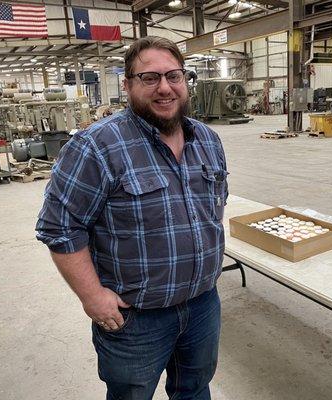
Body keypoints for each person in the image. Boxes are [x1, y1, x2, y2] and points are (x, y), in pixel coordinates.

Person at [36, 36, 228, 400]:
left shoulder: (208, 140)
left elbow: (211, 211)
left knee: (195, 388)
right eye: (149, 78)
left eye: (174, 76)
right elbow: (59, 226)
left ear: (185, 80)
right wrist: (92, 296)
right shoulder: (96, 145)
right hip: (136, 319)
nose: (165, 88)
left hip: (203, 303)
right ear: (127, 85)